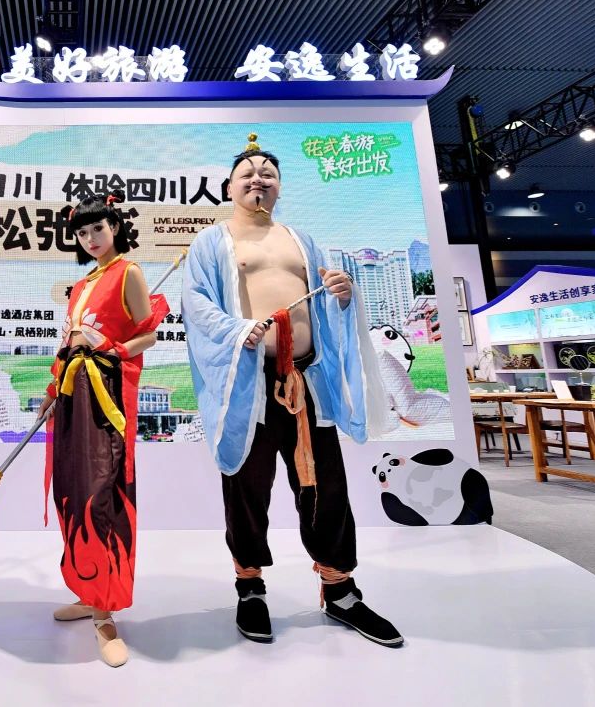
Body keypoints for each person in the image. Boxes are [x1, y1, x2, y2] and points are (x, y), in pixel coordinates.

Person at [183, 134, 401, 647]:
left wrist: (344, 296)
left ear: (279, 186)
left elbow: (324, 304)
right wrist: (238, 331)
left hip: (306, 380)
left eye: (268, 173)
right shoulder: (212, 242)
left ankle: (340, 589)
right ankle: (249, 587)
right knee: (246, 486)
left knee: (325, 484)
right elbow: (196, 303)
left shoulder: (301, 240)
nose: (258, 179)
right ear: (229, 187)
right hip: (248, 384)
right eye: (247, 173)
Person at [35, 191, 168, 667]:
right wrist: (52, 391)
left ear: (114, 227)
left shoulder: (129, 272)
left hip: (106, 400)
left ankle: (105, 612)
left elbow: (148, 333)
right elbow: (68, 348)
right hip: (73, 396)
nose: (91, 238)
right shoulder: (80, 286)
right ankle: (88, 591)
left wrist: (110, 346)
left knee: (100, 495)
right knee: (72, 493)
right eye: (82, 232)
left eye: (98, 228)